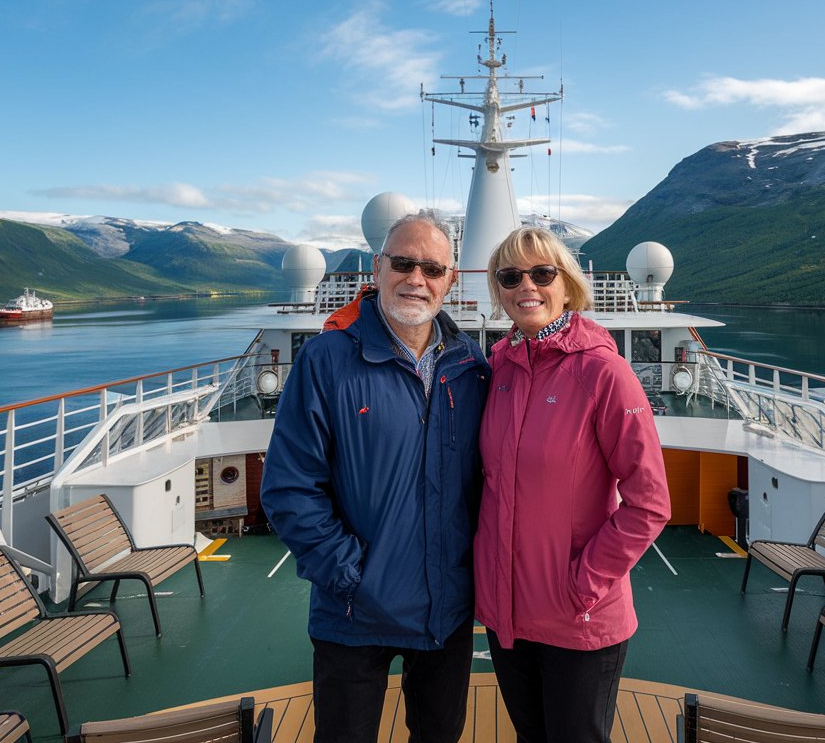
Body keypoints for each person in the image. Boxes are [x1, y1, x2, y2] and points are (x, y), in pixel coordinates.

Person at [261, 211, 490, 743]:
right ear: (378, 267)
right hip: (353, 611)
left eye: (432, 268)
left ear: (450, 280)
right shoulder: (327, 360)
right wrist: (349, 577)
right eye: (403, 263)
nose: (417, 279)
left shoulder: (471, 366)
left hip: (445, 607)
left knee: (439, 735)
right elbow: (289, 487)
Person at [473, 226, 670, 743]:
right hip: (508, 617)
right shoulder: (500, 369)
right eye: (510, 276)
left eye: (542, 273)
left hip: (579, 619)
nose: (526, 286)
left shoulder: (604, 372)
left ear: (567, 285)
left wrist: (582, 585)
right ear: (498, 289)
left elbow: (649, 503)